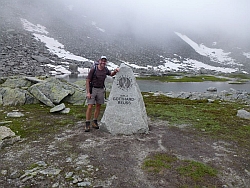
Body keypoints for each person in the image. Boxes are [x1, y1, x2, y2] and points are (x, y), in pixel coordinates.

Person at [85, 56, 119, 132]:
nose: (103, 62)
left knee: (98, 105)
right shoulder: (94, 69)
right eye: (102, 60)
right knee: (90, 106)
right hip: (93, 89)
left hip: (101, 89)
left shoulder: (105, 69)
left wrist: (116, 71)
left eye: (105, 61)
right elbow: (87, 80)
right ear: (99, 61)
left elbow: (111, 74)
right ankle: (87, 123)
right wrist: (88, 92)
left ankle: (94, 122)